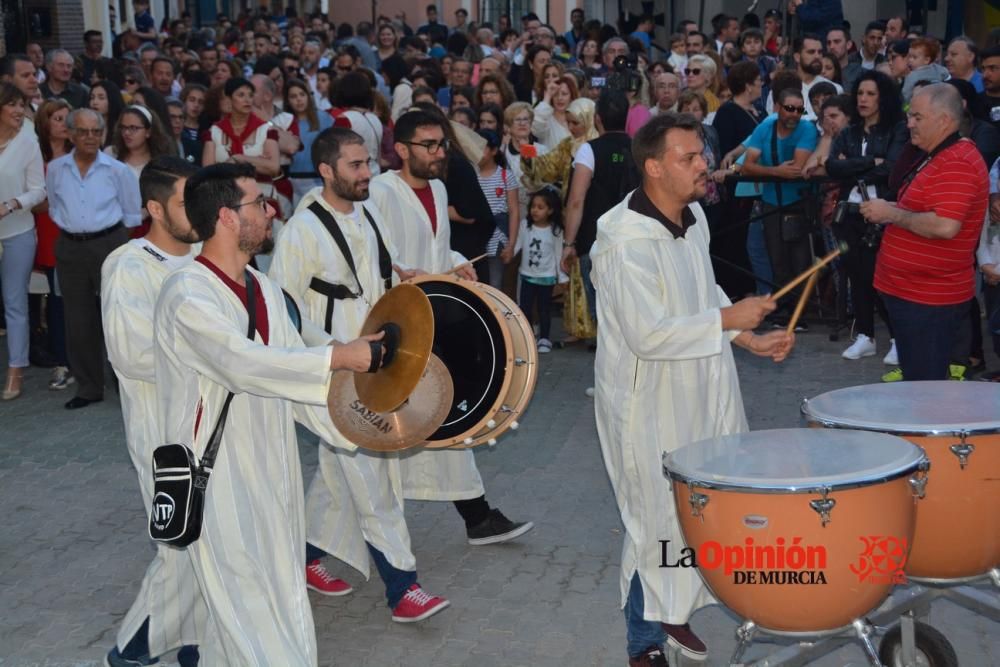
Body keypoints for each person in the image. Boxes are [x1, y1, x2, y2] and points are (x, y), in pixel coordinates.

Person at [153, 161, 381, 664]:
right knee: (253, 616)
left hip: (275, 474)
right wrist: (338, 357)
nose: (271, 210)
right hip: (219, 481)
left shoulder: (266, 290)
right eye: (258, 203)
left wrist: (368, 427)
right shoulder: (186, 294)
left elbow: (295, 381)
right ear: (227, 217)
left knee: (273, 605)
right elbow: (243, 364)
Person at [591, 112, 794, 667]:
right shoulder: (623, 241)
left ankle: (674, 607)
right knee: (654, 517)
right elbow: (648, 334)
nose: (705, 164)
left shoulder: (695, 215)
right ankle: (643, 643)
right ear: (654, 168)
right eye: (690, 157)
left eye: (702, 153)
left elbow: (704, 291)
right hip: (648, 400)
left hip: (705, 383)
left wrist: (747, 338)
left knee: (701, 505)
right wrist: (730, 319)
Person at [269, 127, 451, 623]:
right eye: (355, 165)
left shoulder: (368, 215)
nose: (367, 172)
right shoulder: (301, 231)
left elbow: (381, 275)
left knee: (340, 473)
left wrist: (414, 277)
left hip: (376, 366)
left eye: (368, 162)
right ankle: (403, 587)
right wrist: (333, 352)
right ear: (325, 171)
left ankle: (305, 556)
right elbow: (280, 307)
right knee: (372, 477)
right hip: (334, 373)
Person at [368, 109, 535, 544]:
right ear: (401, 149)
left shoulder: (440, 189)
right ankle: (469, 516)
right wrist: (401, 273)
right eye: (428, 145)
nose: (439, 152)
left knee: (440, 417)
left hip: (433, 321)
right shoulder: (381, 192)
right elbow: (374, 254)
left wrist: (456, 263)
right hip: (395, 326)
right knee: (392, 429)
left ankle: (476, 515)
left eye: (441, 144)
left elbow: (438, 248)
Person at [100, 156, 204, 667]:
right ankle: (131, 651)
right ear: (156, 209)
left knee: (213, 545)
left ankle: (197, 646)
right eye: (187, 203)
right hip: (164, 436)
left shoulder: (209, 256)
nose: (200, 212)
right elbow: (130, 354)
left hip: (215, 427)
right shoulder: (129, 266)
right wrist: (216, 354)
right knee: (182, 546)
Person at [860, 83, 988, 381]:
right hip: (916, 296)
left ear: (944, 120)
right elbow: (928, 209)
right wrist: (890, 207)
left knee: (925, 388)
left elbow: (945, 225)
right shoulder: (940, 154)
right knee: (919, 384)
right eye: (909, 116)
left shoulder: (957, 160)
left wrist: (890, 213)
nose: (909, 123)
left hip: (929, 300)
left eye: (917, 117)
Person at [47, 108, 140, 409]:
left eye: (96, 132)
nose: (90, 137)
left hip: (109, 243)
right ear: (70, 134)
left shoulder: (117, 170)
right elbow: (54, 207)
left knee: (118, 315)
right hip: (70, 247)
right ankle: (88, 388)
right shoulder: (56, 169)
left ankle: (126, 382)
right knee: (77, 318)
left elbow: (131, 213)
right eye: (83, 131)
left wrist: (111, 240)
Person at [820, 71, 908, 363]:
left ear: (883, 97)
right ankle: (865, 335)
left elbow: (892, 168)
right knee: (856, 275)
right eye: (860, 93)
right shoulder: (849, 132)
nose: (863, 99)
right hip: (850, 213)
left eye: (870, 94)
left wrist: (853, 166)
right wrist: (871, 161)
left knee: (881, 278)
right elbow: (832, 167)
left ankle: (898, 338)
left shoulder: (896, 129)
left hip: (881, 212)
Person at [741, 87, 819, 327]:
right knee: (777, 260)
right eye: (789, 108)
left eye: (799, 110)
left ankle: (801, 314)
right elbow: (746, 166)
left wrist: (767, 170)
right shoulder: (765, 127)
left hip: (799, 203)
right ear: (777, 108)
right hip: (771, 203)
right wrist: (775, 171)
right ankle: (783, 311)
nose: (794, 114)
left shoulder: (807, 129)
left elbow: (796, 168)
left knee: (800, 261)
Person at [563, 91, 641, 327]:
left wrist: (568, 243)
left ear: (597, 118)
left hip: (595, 239)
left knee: (602, 314)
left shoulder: (589, 150)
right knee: (630, 310)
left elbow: (576, 200)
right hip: (634, 238)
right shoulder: (640, 149)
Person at [0, 83, 45, 400]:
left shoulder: (28, 143)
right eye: (12, 104)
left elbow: (39, 190)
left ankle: (16, 370)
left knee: (14, 303)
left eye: (22, 104)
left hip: (18, 233)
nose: (19, 111)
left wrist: (12, 204)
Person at [32, 99, 73, 390]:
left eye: (67, 119)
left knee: (77, 302)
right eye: (57, 119)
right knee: (56, 303)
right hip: (45, 233)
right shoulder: (34, 157)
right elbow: (32, 201)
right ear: (44, 123)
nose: (63, 124)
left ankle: (80, 360)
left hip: (75, 235)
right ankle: (62, 361)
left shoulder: (79, 155)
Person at [514, 187, 563, 353]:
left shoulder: (556, 230)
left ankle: (544, 339)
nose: (535, 210)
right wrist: (509, 253)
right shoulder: (525, 225)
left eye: (540, 207)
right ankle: (529, 337)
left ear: (550, 210)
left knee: (544, 309)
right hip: (527, 276)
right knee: (525, 307)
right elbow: (518, 244)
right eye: (533, 206)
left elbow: (558, 254)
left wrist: (562, 277)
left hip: (547, 277)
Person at [475, 128, 520, 288]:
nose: (476, 152)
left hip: (497, 236)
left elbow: (514, 211)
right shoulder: (471, 174)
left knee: (495, 283)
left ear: (494, 151)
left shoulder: (505, 176)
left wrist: (511, 244)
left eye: (481, 148)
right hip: (476, 237)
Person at [285, 78, 333, 207]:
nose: (299, 99)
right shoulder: (285, 121)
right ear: (288, 100)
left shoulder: (323, 118)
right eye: (293, 96)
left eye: (302, 94)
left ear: (308, 96)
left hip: (318, 179)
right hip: (292, 180)